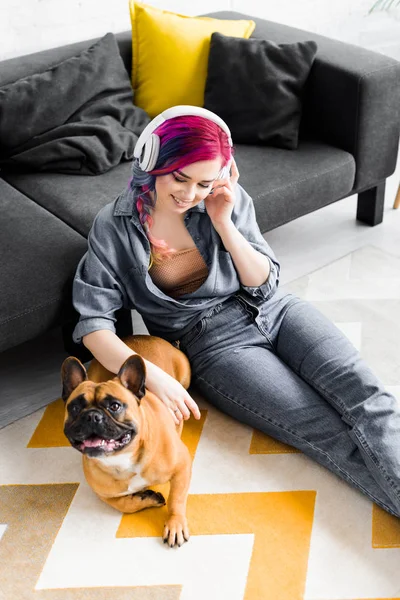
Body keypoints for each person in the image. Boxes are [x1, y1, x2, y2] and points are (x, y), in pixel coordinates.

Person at [72, 105, 400, 518]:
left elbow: (264, 282)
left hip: (278, 311)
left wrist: (224, 222)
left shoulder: (223, 199)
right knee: (326, 431)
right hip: (212, 345)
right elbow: (93, 323)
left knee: (371, 400)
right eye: (179, 177)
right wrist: (152, 377)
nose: (190, 194)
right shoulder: (114, 226)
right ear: (151, 160)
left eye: (204, 182)